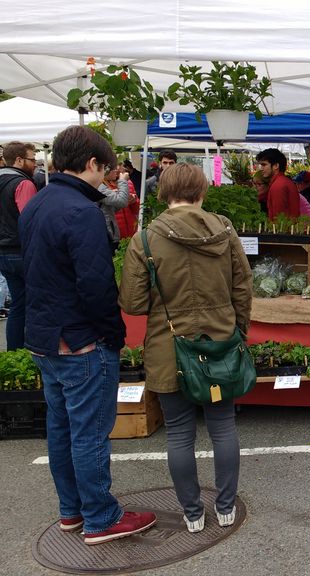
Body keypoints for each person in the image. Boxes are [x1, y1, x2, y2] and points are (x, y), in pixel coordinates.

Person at [19, 125, 156, 544]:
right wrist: (113, 334)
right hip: (80, 340)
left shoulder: (38, 202)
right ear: (92, 164)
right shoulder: (81, 212)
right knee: (90, 431)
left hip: (44, 336)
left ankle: (72, 512)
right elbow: (95, 285)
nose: (108, 180)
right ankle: (101, 517)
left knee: (61, 429)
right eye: (106, 171)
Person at [119, 163, 253, 534]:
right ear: (202, 191)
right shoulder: (224, 230)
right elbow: (243, 287)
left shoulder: (145, 239)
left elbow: (132, 303)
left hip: (168, 347)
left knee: (179, 433)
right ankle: (226, 507)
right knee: (223, 426)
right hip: (219, 344)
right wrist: (237, 329)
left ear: (163, 192)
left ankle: (192, 514)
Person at [0, 141, 40, 350]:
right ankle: (33, 350)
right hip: (21, 250)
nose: (35, 163)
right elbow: (30, 221)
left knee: (18, 303)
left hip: (3, 253)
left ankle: (14, 351)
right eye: (32, 159)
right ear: (18, 160)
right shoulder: (23, 183)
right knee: (36, 302)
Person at [255, 148, 299, 219]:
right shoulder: (283, 182)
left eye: (264, 165)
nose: (261, 168)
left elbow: (278, 218)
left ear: (276, 166)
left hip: (283, 228)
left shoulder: (278, 185)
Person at [97, 165, 134, 245]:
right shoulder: (98, 186)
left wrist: (132, 201)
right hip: (110, 234)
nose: (116, 170)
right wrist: (123, 181)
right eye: (113, 168)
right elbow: (121, 201)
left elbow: (110, 209)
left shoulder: (102, 185)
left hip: (120, 230)